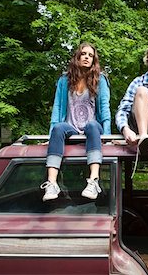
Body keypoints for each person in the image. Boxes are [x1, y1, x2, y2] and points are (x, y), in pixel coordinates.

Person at [40, 42, 111, 201]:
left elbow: (105, 109)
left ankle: (93, 181)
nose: (87, 57)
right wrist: (51, 136)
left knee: (92, 125)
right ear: (77, 57)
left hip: (92, 128)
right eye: (83, 54)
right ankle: (52, 183)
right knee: (59, 128)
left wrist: (107, 137)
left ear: (94, 60)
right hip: (70, 128)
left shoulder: (100, 80)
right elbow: (57, 108)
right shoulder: (64, 80)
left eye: (90, 55)